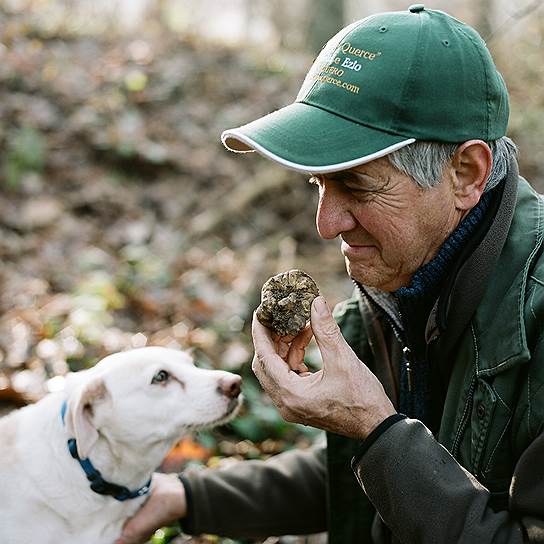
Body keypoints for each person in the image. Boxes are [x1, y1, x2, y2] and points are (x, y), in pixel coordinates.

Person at [117, 5, 544, 544]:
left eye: (358, 187)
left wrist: (374, 427)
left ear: (465, 174)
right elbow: (368, 474)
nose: (326, 225)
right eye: (319, 184)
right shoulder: (407, 281)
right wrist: (186, 497)